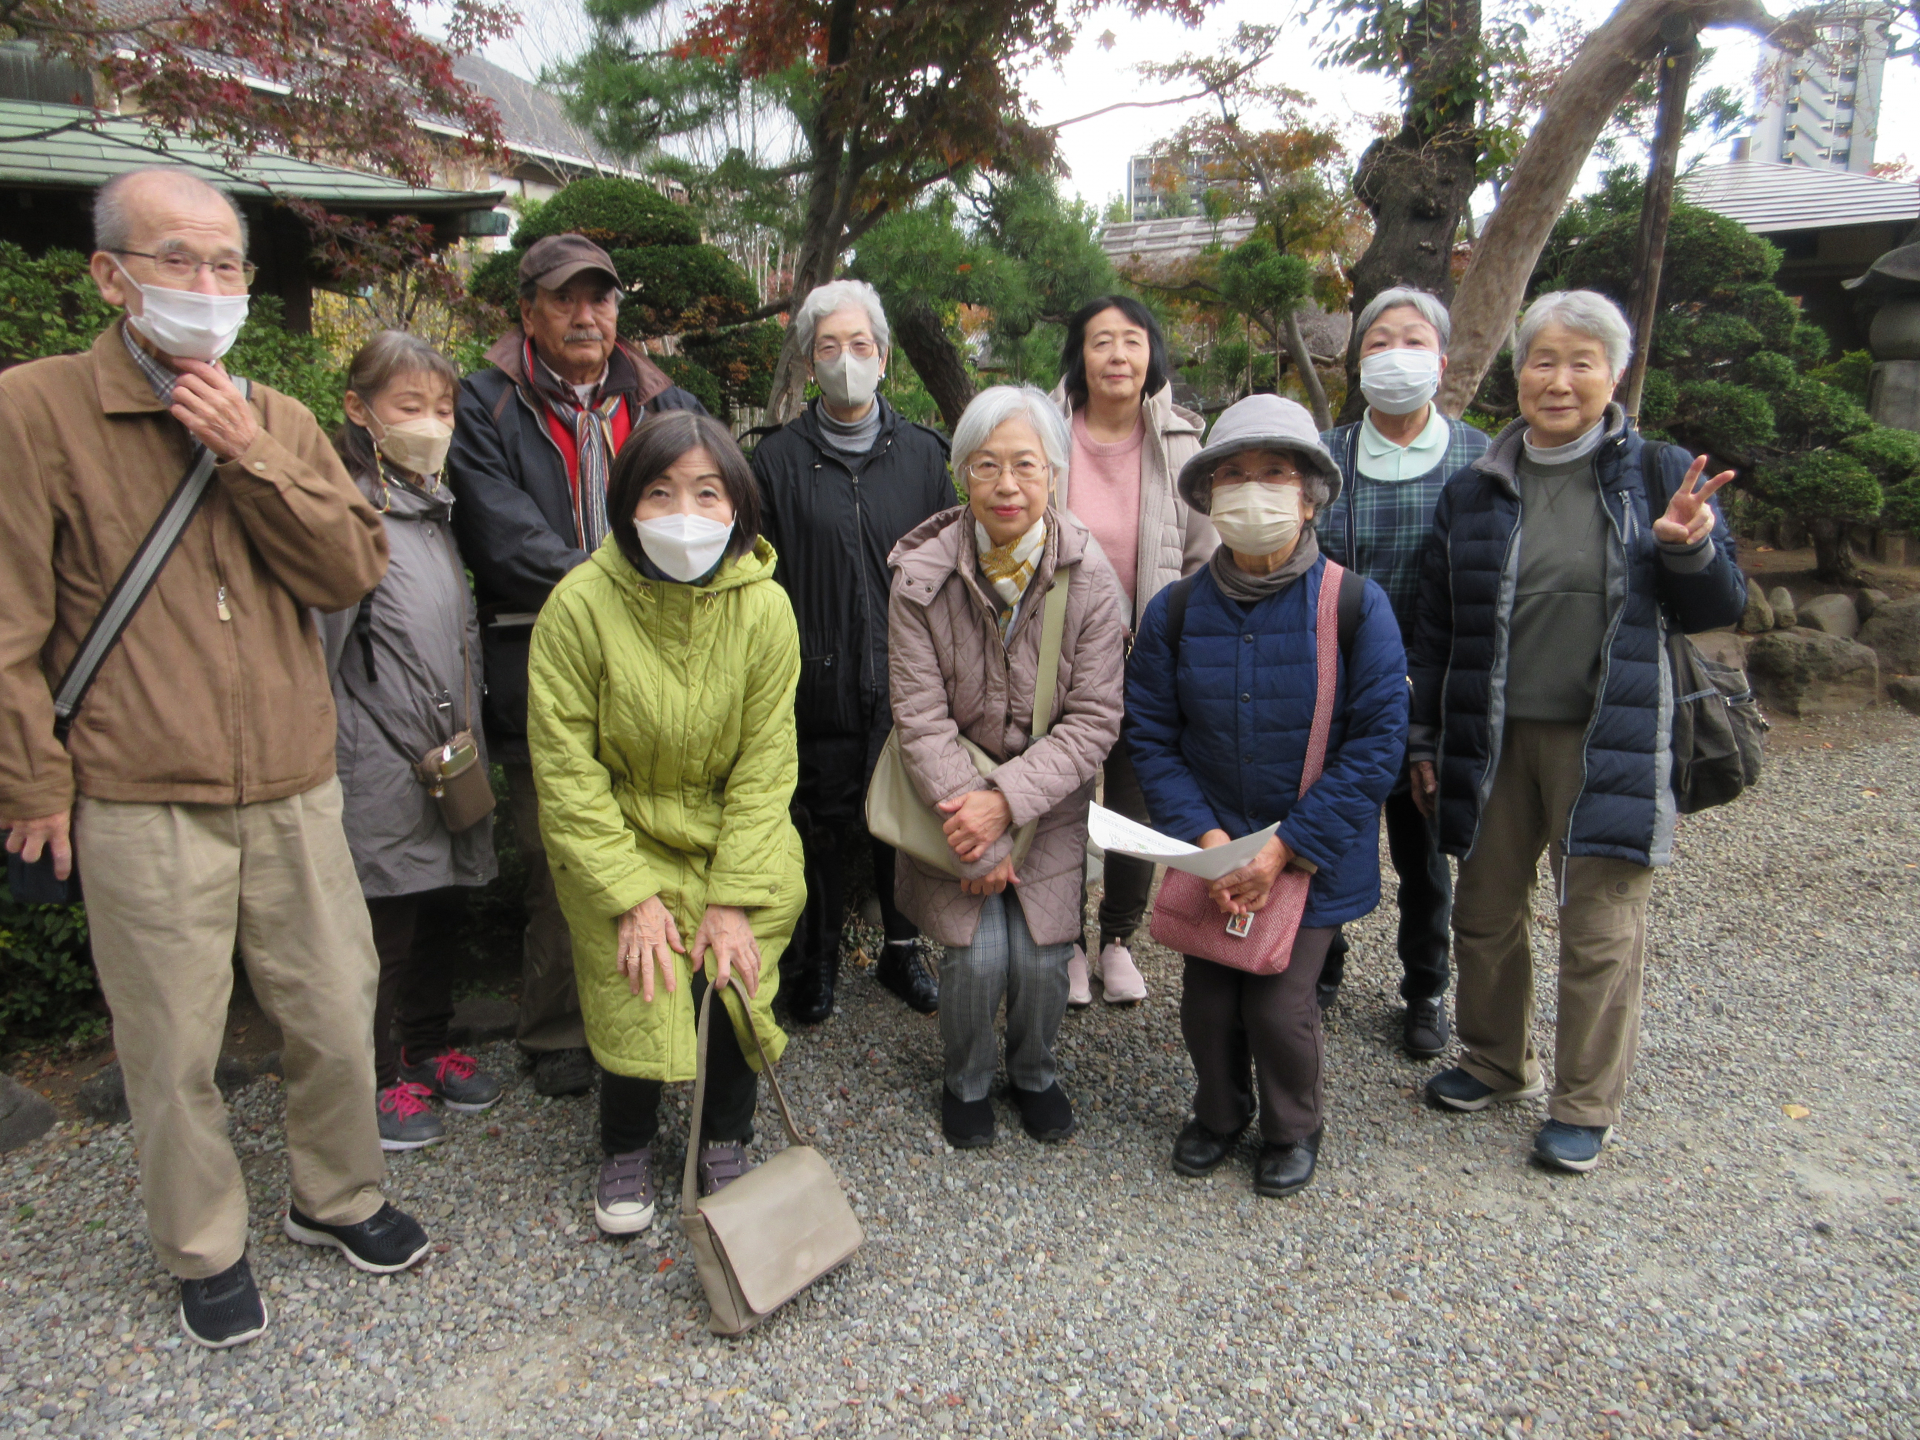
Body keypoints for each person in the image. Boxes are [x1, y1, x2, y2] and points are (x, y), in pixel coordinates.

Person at [0, 167, 429, 1349]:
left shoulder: (274, 413)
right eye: (176, 260)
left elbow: (350, 568)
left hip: (291, 778)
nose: (206, 284)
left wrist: (252, 453)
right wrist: (30, 778)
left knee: (334, 1007)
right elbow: (9, 620)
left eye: (227, 263)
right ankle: (204, 1244)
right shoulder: (35, 410)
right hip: (139, 787)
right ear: (111, 275)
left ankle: (336, 1196)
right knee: (171, 1042)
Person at [1408, 289, 1744, 1174]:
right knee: (1484, 911)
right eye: (1543, 361)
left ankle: (1585, 1103)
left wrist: (1687, 546)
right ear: (1519, 373)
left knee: (1599, 927)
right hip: (1493, 735)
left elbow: (1718, 607)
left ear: (1614, 375)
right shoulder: (1476, 489)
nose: (1558, 381)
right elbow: (1437, 630)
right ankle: (1496, 1059)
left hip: (1610, 736)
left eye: (1581, 363)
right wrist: (1423, 739)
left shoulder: (1657, 475)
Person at [526, 411, 804, 1235]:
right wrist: (630, 894)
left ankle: (726, 1134)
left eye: (707, 493)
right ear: (626, 504)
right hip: (621, 835)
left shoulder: (766, 610)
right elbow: (566, 773)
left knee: (736, 968)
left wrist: (734, 896)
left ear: (737, 506)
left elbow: (766, 766)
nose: (685, 513)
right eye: (660, 492)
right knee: (638, 970)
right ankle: (627, 1144)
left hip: (733, 837)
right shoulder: (579, 606)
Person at [447, 234, 708, 1099]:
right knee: (559, 854)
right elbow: (502, 535)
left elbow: (707, 503)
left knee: (659, 841)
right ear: (528, 312)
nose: (585, 315)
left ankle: (653, 1012)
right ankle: (558, 1025)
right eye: (564, 298)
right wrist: (620, 591)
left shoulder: (666, 401)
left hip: (663, 669)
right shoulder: (483, 405)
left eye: (600, 298)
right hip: (540, 661)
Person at [1126, 395, 1407, 1198]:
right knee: (1208, 1005)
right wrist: (1207, 842)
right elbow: (1152, 735)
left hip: (1309, 857)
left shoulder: (1354, 605)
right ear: (1209, 496)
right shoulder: (1176, 610)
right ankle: (1219, 1113)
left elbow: (1377, 742)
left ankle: (1292, 1125)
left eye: (1275, 474)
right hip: (1214, 849)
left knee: (1280, 1007)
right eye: (1234, 476)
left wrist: (1286, 847)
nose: (1253, 491)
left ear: (1310, 496)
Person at [885, 386, 1127, 1150]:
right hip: (949, 804)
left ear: (1054, 472)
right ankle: (965, 1078)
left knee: (1044, 956)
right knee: (977, 954)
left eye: (1026, 464)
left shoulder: (1091, 578)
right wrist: (980, 820)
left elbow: (1095, 719)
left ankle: (1033, 1071)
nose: (1007, 484)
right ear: (962, 473)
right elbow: (919, 718)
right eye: (986, 465)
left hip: (1048, 803)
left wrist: (1008, 801)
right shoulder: (920, 576)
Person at [752, 280, 956, 1023]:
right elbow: (760, 573)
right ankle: (819, 959)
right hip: (816, 674)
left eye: (860, 345)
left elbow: (949, 566)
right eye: (829, 347)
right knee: (820, 824)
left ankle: (903, 951)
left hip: (908, 674)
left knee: (905, 818)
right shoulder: (776, 460)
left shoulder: (924, 455)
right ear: (810, 362)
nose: (846, 361)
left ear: (884, 357)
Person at [321, 331, 503, 1152]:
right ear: (359, 411)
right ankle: (372, 1077)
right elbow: (321, 653)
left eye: (443, 408)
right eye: (409, 406)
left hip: (447, 757)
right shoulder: (348, 513)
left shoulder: (432, 508)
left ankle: (426, 1046)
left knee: (440, 906)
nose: (432, 423)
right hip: (379, 763)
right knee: (383, 929)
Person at [1315, 287, 1490, 1058]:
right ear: (1358, 362)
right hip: (1337, 687)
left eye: (1412, 340)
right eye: (1377, 342)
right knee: (1326, 835)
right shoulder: (1324, 457)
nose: (1394, 355)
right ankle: (1321, 964)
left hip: (1437, 688)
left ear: (1442, 360)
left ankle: (1425, 987)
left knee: (1425, 854)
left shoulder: (1481, 458)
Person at [1050, 295, 1213, 1008]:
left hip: (1150, 656)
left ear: (1152, 356)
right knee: (1060, 799)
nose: (1118, 355)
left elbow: (1203, 557)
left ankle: (1117, 938)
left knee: (1134, 802)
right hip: (1058, 656)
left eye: (1132, 341)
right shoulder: (1046, 434)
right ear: (1078, 357)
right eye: (1101, 341)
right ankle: (1064, 941)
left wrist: (1178, 643)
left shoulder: (1181, 445)